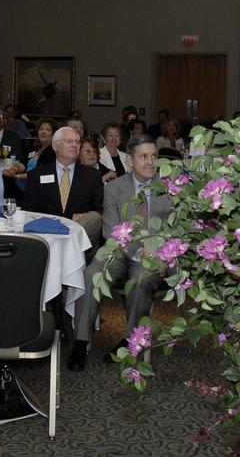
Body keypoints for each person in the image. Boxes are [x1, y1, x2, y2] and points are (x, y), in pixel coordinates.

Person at [67, 135, 171, 371]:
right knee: (91, 275)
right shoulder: (115, 188)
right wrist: (137, 250)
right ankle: (81, 342)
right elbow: (112, 229)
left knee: (140, 280)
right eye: (143, 156)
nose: (149, 162)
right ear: (130, 159)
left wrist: (156, 252)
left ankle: (129, 341)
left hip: (153, 254)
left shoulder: (168, 189)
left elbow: (174, 229)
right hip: (118, 250)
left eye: (153, 156)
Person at [24, 126, 103, 246]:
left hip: (78, 240)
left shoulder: (92, 176)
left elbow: (99, 210)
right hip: (45, 238)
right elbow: (28, 210)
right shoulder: (37, 175)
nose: (74, 145)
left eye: (77, 142)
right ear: (55, 146)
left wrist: (86, 216)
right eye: (69, 141)